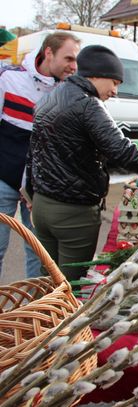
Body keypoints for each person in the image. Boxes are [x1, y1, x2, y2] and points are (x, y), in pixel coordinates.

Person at [26, 45, 138, 281]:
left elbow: (35, 153)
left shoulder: (50, 98)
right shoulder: (88, 105)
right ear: (95, 75)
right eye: (114, 82)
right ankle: (57, 318)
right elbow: (123, 153)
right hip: (73, 213)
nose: (115, 91)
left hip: (42, 206)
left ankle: (40, 318)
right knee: (70, 285)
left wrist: (33, 194)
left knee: (47, 279)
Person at [0, 31, 80, 278]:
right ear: (48, 53)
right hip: (3, 179)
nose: (73, 66)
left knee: (39, 253)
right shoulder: (9, 79)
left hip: (40, 188)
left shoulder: (68, 92)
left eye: (76, 60)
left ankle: (32, 313)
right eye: (68, 59)